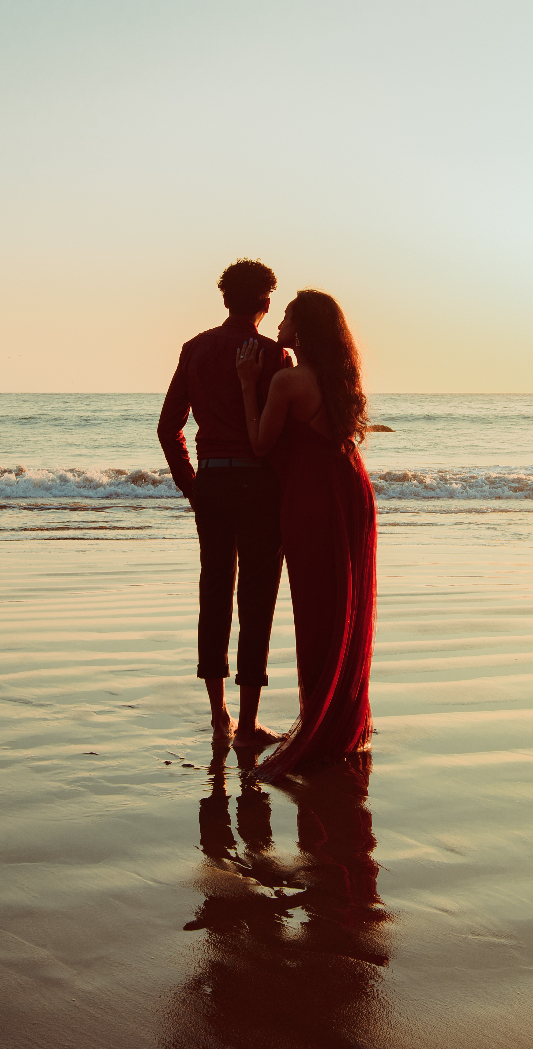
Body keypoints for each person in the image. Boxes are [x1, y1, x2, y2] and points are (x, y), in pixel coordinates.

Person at [233, 289, 377, 780]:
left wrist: (248, 384)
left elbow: (259, 444)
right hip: (351, 492)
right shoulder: (341, 378)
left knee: (316, 610)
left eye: (289, 315)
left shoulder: (288, 381)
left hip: (312, 500)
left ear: (305, 328)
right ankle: (338, 721)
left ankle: (321, 722)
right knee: (343, 608)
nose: (280, 323)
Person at [158, 258, 293, 746]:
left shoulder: (195, 349)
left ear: (224, 299)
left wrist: (193, 485)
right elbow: (284, 440)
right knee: (257, 597)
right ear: (266, 302)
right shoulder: (276, 356)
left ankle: (219, 716)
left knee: (214, 590)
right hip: (258, 486)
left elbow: (168, 427)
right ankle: (249, 721)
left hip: (212, 482)